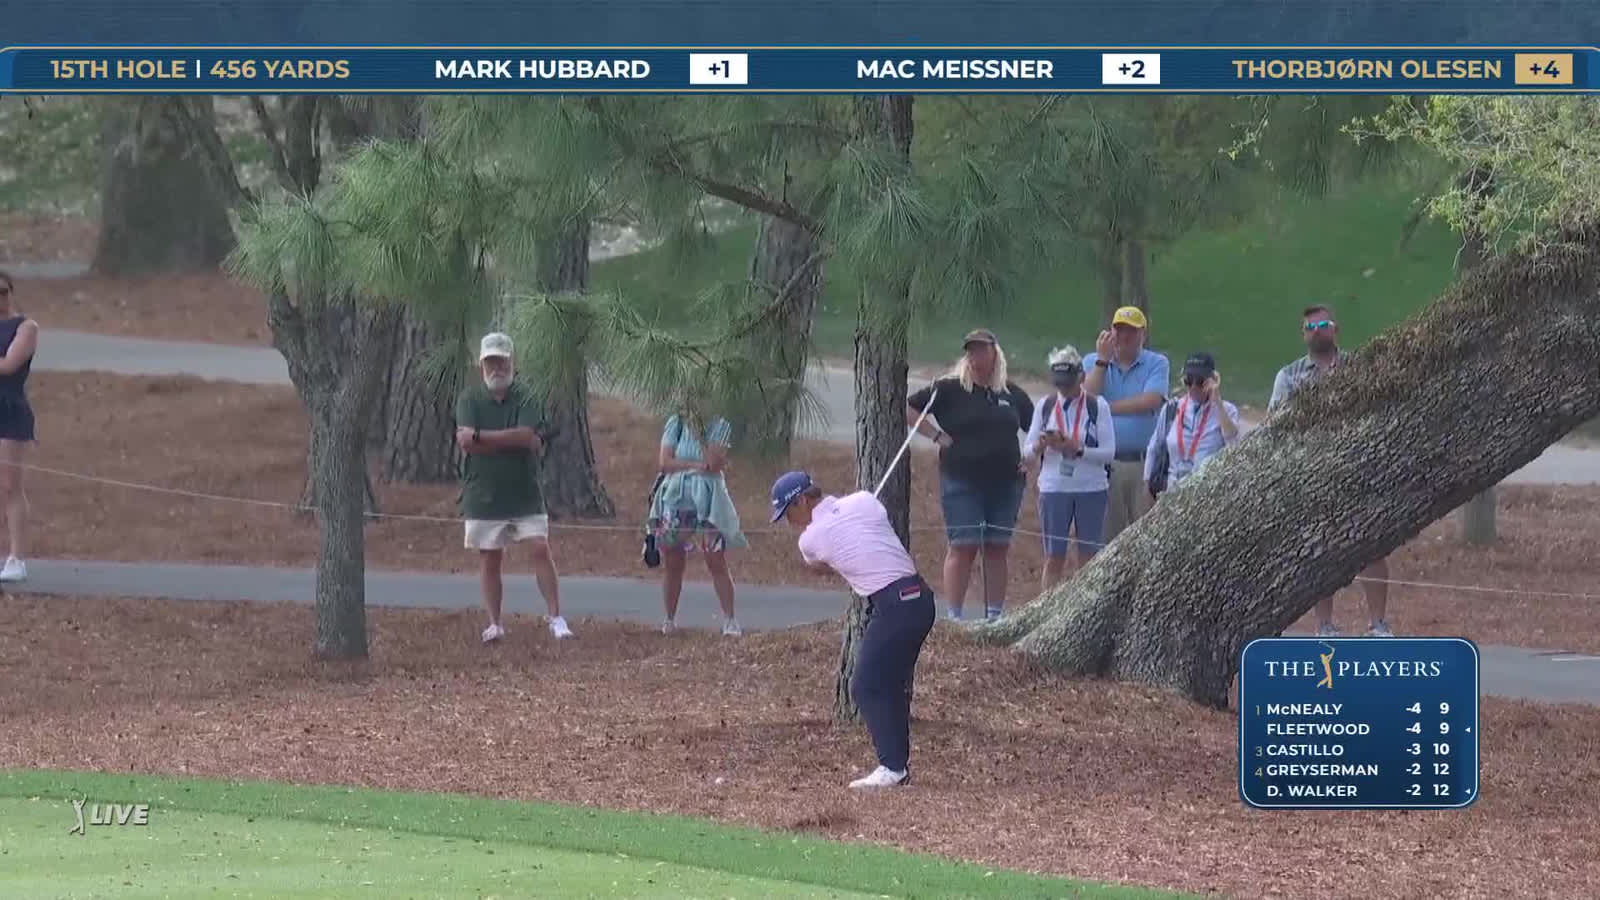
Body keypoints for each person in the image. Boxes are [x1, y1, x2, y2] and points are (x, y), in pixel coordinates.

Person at [770, 470, 934, 789]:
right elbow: (876, 517)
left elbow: (817, 564)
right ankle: (896, 766)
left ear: (803, 500)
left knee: (864, 686)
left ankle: (892, 767)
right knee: (886, 684)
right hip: (919, 600)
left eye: (789, 513)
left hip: (896, 606)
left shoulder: (810, 539)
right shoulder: (863, 500)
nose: (791, 523)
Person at [1269, 304, 1393, 638]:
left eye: (1323, 324)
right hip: (1313, 475)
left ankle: (1378, 624)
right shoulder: (1289, 376)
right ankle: (1325, 626)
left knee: (1373, 547)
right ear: (1303, 334)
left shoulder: (1361, 366)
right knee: (1319, 550)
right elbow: (1277, 426)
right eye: (1310, 327)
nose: (1317, 330)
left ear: (1335, 329)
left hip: (1360, 469)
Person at [905, 329, 1033, 621]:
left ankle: (994, 615)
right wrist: (936, 435)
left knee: (997, 546)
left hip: (1006, 481)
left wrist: (1032, 456)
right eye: (971, 351)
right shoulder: (949, 388)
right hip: (962, 479)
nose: (976, 356)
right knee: (963, 545)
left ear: (994, 353)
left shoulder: (1010, 393)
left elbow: (1037, 424)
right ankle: (955, 615)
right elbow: (910, 408)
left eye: (982, 350)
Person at [454, 332, 573, 643]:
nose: (497, 368)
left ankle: (556, 617)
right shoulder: (469, 399)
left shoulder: (528, 395)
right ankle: (495, 623)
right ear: (481, 364)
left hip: (525, 490)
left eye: (502, 361)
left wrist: (483, 437)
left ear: (511, 362)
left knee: (539, 547)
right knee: (490, 556)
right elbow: (469, 443)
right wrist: (514, 439)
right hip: (484, 491)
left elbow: (527, 436)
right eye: (491, 361)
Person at [1021, 345, 1115, 588]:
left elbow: (1108, 452)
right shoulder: (1045, 405)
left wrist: (1078, 448)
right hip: (1054, 487)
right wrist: (1041, 445)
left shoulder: (1097, 406)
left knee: (1089, 556)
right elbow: (1027, 454)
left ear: (1081, 377)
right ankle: (1047, 613)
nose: (1064, 389)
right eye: (1059, 383)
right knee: (1054, 556)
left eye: (1069, 383)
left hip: (1091, 488)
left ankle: (1085, 610)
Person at [647, 409, 747, 636]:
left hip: (708, 496)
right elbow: (665, 462)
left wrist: (699, 435)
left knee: (715, 558)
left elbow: (712, 463)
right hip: (676, 494)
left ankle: (730, 619)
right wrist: (694, 466)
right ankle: (669, 619)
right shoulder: (676, 422)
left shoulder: (720, 423)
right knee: (673, 559)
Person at [1082, 306, 1170, 543]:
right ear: (1109, 332)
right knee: (1107, 539)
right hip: (1105, 465)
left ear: (1142, 334)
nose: (1124, 337)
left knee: (1145, 537)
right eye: (1118, 330)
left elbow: (1150, 400)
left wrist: (1105, 408)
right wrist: (1102, 362)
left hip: (1143, 465)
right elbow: (1087, 399)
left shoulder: (1156, 363)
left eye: (1131, 331)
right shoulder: (1092, 361)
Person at [1144, 352, 1240, 493]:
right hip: (1171, 493)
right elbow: (1154, 447)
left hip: (1206, 494)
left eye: (1200, 381)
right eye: (1188, 381)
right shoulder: (1171, 408)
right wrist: (1146, 483)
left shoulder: (1227, 410)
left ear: (1212, 380)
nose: (1193, 387)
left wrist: (1217, 402)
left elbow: (1234, 446)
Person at [0, 271, 37, 584]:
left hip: (9, 410)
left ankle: (16, 556)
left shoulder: (26, 328)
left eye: (2, 291)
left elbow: (9, 365)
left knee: (9, 484)